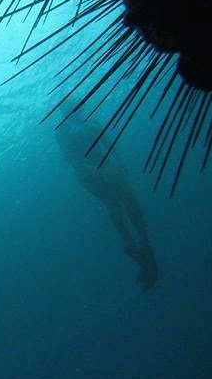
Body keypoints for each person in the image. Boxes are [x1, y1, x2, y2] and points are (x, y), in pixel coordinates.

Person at [55, 122, 159, 289]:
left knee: (124, 199)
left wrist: (117, 161)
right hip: (93, 170)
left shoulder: (77, 126)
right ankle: (136, 242)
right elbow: (73, 157)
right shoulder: (67, 129)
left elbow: (106, 141)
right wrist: (104, 165)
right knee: (118, 200)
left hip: (97, 168)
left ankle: (137, 243)